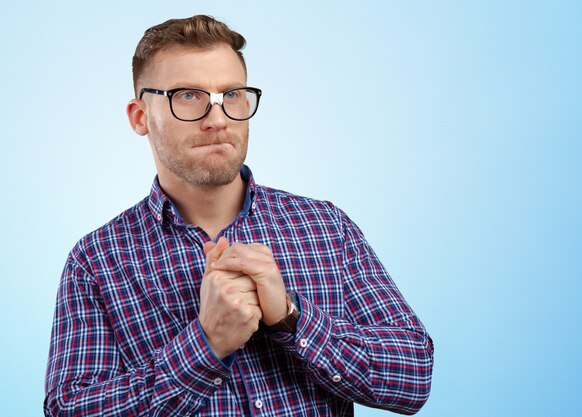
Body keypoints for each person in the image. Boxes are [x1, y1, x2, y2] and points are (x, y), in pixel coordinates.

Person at [44, 15, 434, 416]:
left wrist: (290, 318)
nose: (218, 119)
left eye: (231, 94)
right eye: (188, 95)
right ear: (140, 116)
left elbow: (414, 375)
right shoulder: (96, 261)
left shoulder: (325, 227)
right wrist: (206, 344)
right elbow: (72, 409)